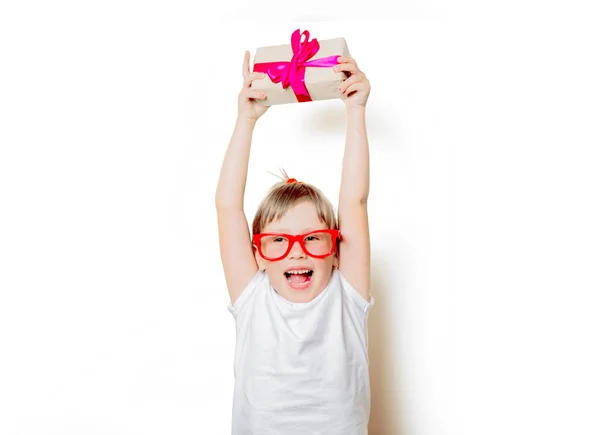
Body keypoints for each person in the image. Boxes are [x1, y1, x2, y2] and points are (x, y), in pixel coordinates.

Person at [215, 49, 374, 435]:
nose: (298, 250)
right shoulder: (252, 297)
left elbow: (354, 200)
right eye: (279, 240)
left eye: (313, 238)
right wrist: (246, 121)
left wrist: (355, 112)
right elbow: (227, 207)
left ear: (336, 252)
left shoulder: (346, 296)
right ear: (259, 253)